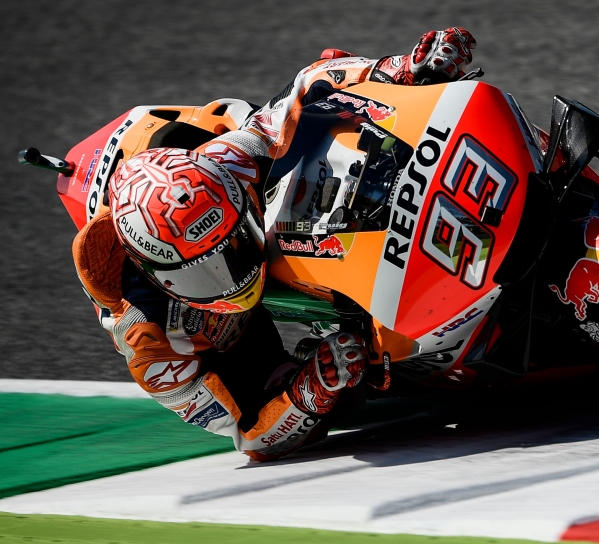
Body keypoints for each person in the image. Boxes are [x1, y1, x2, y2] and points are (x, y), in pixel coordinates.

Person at [71, 28, 477, 461]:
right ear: (157, 272)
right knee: (349, 393)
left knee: (328, 132)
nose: (231, 273)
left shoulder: (223, 162)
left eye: (232, 244)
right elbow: (246, 436)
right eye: (205, 268)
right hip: (249, 344)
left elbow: (306, 86)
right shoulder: (151, 346)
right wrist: (310, 392)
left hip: (257, 212)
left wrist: (400, 69)